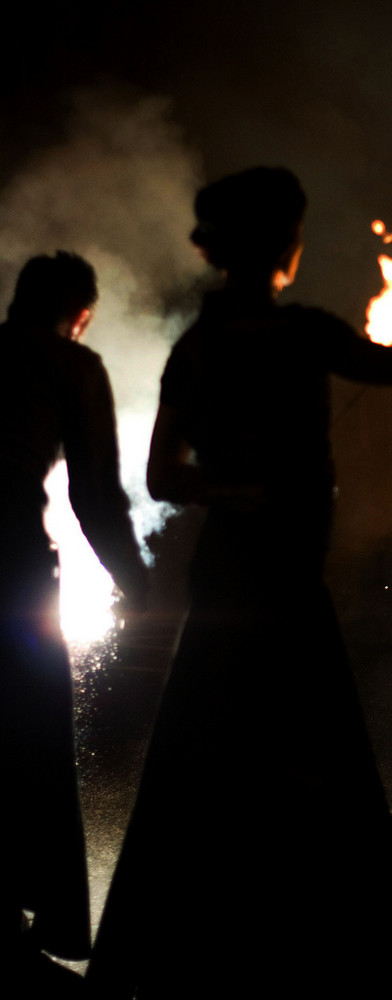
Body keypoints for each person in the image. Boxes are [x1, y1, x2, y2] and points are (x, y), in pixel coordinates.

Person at [86, 167, 392, 998]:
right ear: (279, 249)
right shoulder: (280, 338)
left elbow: (162, 475)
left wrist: (224, 489)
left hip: (257, 569)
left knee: (217, 748)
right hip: (261, 577)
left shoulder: (213, 346)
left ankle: (218, 948)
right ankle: (321, 955)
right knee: (298, 747)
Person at [0, 252, 147, 990]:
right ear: (80, 312)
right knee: (29, 729)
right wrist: (141, 582)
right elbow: (94, 493)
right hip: (12, 562)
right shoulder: (71, 364)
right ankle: (38, 908)